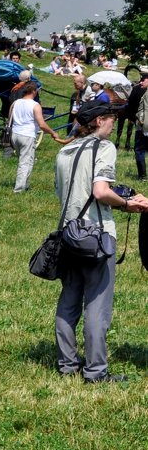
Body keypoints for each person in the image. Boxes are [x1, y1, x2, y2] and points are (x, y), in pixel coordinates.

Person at [53, 99, 148, 382]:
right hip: (96, 234)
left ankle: (67, 364)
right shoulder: (104, 148)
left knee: (68, 301)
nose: (114, 123)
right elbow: (100, 191)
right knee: (97, 304)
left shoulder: (64, 151)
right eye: (111, 119)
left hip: (68, 233)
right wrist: (127, 204)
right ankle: (96, 371)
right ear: (98, 121)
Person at [10, 81, 64, 193]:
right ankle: (19, 189)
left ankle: (25, 184)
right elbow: (42, 124)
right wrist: (53, 133)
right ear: (34, 91)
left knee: (26, 160)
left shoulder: (16, 103)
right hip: (27, 135)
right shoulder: (35, 105)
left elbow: (10, 117)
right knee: (25, 162)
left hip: (14, 134)